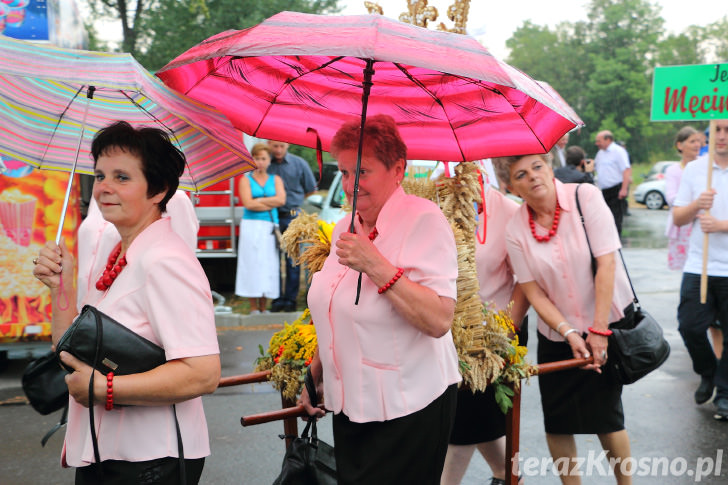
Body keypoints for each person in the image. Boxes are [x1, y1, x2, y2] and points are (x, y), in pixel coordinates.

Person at [32, 121, 220, 483]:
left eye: (122, 177)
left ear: (158, 190)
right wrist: (60, 289)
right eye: (100, 175)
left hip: (151, 459)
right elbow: (71, 349)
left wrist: (104, 389)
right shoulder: (120, 254)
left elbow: (203, 373)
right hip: (108, 451)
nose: (104, 188)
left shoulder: (166, 261)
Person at [301, 114, 461, 484]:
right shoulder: (346, 226)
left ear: (398, 169)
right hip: (350, 405)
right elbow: (336, 308)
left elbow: (438, 319)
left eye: (363, 172)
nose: (350, 184)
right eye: (343, 172)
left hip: (409, 404)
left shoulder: (425, 220)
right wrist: (316, 373)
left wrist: (377, 266)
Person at [494, 154, 634, 484]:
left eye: (537, 167)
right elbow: (532, 291)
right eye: (521, 174)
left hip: (605, 324)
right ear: (510, 185)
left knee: (607, 419)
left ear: (550, 166)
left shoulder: (585, 197)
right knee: (557, 422)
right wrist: (569, 332)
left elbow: (607, 264)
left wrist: (597, 330)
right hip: (557, 334)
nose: (533, 177)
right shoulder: (515, 228)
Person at [441, 178, 529, 485]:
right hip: (442, 334)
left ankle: (506, 473)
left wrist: (503, 332)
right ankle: (507, 474)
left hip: (492, 339)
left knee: (463, 429)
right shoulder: (433, 203)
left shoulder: (508, 211)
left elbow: (527, 280)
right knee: (468, 428)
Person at [672, 119, 728, 420]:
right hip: (700, 266)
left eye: (727, 130)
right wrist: (697, 204)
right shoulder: (696, 169)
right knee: (690, 325)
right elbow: (679, 218)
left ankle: (725, 393)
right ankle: (708, 371)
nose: (721, 136)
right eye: (717, 129)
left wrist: (721, 225)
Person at [234, 142, 286, 314]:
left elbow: (281, 200)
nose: (260, 162)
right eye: (257, 158)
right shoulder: (245, 180)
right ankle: (253, 306)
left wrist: (259, 202)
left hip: (270, 226)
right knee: (251, 263)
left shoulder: (275, 179)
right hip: (251, 225)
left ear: (269, 160)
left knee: (268, 263)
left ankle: (264, 306)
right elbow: (248, 204)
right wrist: (268, 202)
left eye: (263, 158)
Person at [266, 140, 317, 312]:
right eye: (275, 146)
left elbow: (311, 188)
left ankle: (290, 300)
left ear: (287, 146)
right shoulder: (266, 164)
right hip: (270, 217)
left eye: (281, 146)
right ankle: (276, 299)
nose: (278, 149)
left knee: (292, 260)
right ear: (269, 145)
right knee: (272, 261)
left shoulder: (299, 164)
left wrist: (296, 201)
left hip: (292, 217)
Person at [594, 130, 631, 235]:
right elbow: (596, 167)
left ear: (608, 140)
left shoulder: (618, 151)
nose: (597, 143)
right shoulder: (600, 153)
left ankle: (616, 243)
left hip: (616, 189)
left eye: (599, 141)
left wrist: (624, 189)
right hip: (603, 190)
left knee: (615, 217)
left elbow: (626, 170)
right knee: (604, 217)